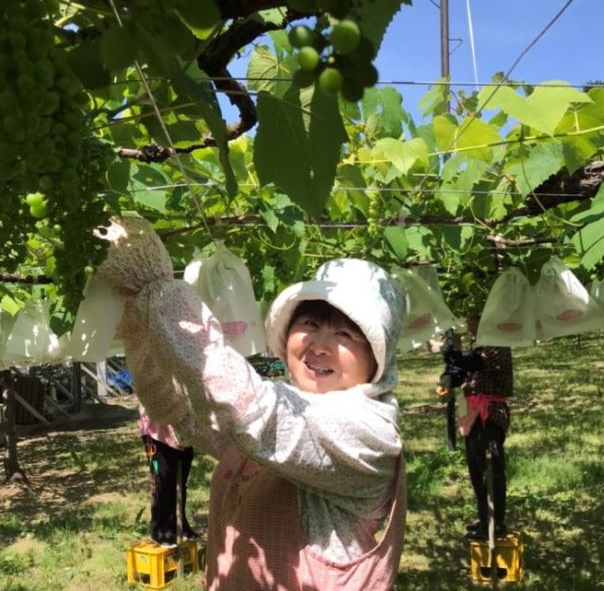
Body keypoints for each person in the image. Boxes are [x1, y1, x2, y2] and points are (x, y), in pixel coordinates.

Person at [96, 215, 406, 590]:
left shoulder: (367, 433)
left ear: (377, 357)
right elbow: (182, 413)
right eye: (308, 324)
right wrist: (143, 324)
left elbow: (250, 409)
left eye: (344, 334)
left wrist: (163, 293)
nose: (319, 345)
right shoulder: (294, 411)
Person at [440, 318, 513, 541]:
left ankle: (496, 522)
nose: (469, 322)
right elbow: (463, 372)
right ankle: (484, 519)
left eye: (474, 317)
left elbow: (475, 363)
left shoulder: (497, 343)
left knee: (490, 470)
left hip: (489, 416)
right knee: (476, 471)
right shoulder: (478, 344)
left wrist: (452, 353)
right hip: (472, 417)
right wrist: (450, 375)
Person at [139, 405, 197, 547]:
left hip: (183, 429)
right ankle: (160, 530)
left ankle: (179, 524)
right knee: (162, 481)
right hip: (157, 432)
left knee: (180, 482)